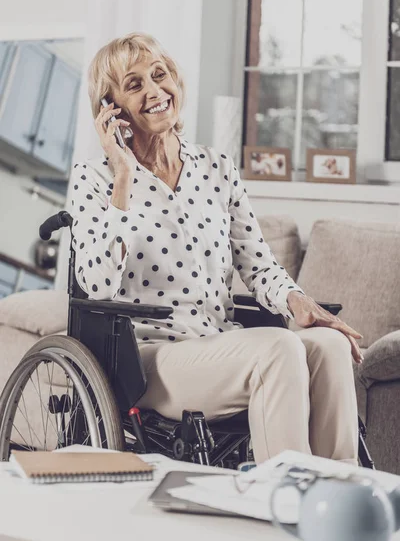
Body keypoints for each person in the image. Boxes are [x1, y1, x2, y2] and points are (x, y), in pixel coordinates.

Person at [70, 32, 364, 465]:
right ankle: (284, 500)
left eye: (160, 74)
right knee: (278, 349)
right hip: (147, 358)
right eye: (134, 85)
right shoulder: (94, 179)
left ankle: (338, 496)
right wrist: (123, 176)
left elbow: (257, 261)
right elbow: (96, 286)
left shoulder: (216, 168)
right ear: (110, 109)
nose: (154, 91)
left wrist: (295, 299)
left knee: (329, 344)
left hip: (219, 342)